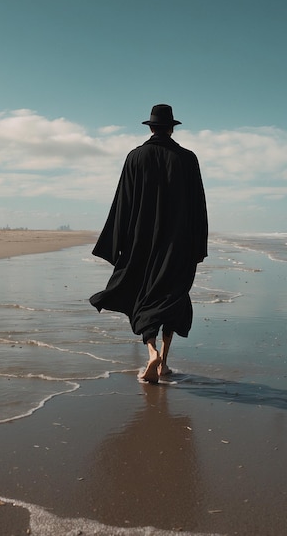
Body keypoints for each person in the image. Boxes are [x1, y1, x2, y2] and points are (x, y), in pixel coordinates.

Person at [89, 104, 208, 383]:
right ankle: (164, 363)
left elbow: (123, 203)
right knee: (173, 297)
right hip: (178, 243)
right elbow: (198, 206)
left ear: (151, 128)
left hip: (141, 241)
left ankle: (151, 351)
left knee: (144, 296)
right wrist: (198, 245)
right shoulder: (188, 159)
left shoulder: (135, 157)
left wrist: (116, 244)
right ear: (171, 128)